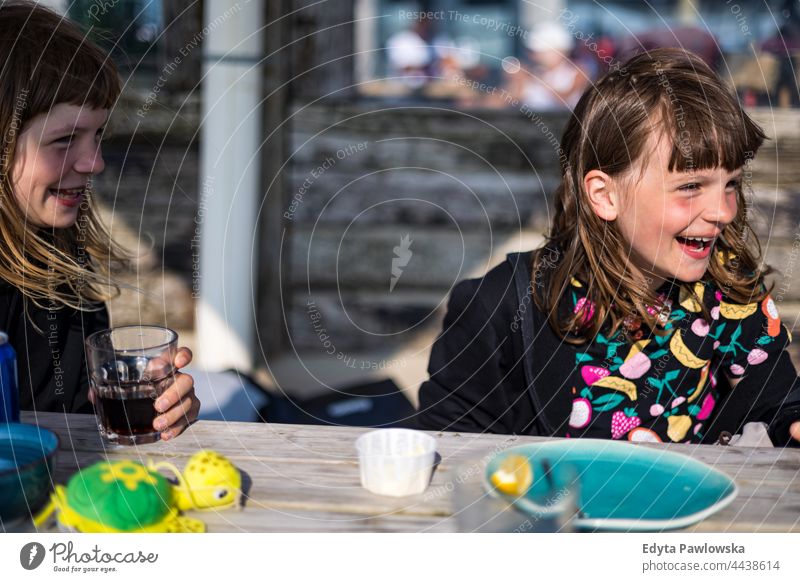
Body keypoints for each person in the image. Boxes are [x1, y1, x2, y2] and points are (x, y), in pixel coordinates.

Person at [417, 48, 800, 447]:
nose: (722, 211)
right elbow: (446, 442)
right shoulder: (503, 308)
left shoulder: (729, 292)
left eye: (731, 184)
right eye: (690, 187)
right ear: (604, 195)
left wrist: (791, 420)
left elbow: (776, 399)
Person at [0, 1, 200, 439]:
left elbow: (66, 410)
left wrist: (153, 401)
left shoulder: (56, 253)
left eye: (98, 135)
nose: (94, 163)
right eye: (65, 139)